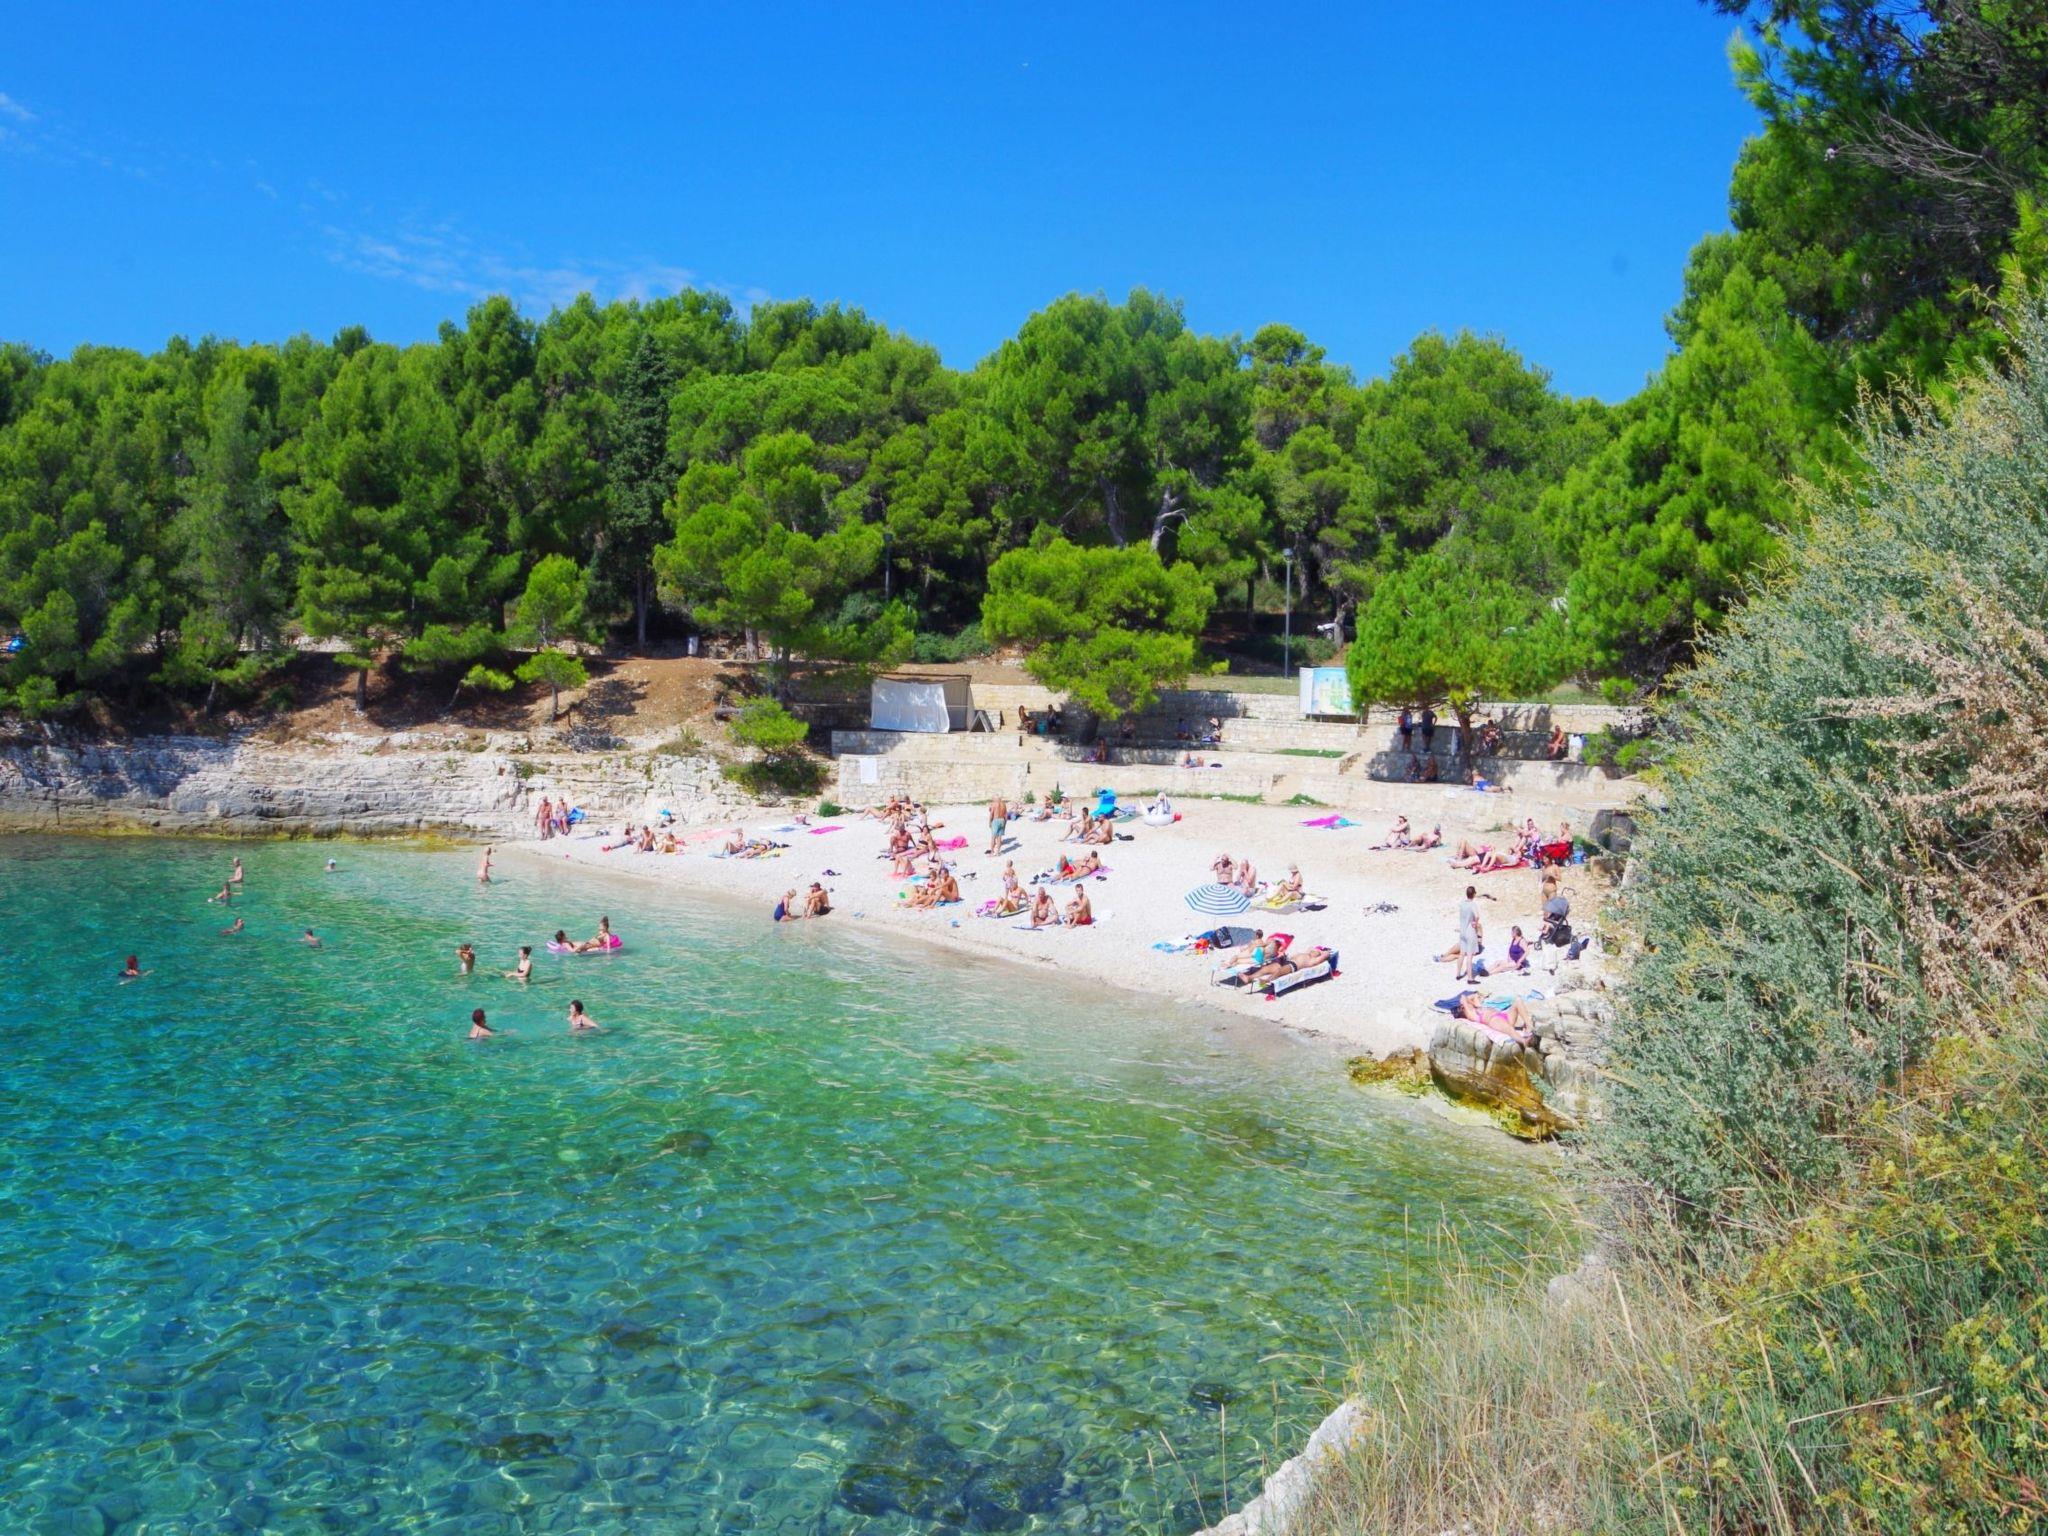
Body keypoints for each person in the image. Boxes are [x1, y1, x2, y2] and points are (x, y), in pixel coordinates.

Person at [1456, 990, 1534, 1045]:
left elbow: (1475, 996)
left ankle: (1530, 1026)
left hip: (1504, 1016)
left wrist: (1472, 1003)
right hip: (1494, 1020)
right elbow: (1463, 997)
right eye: (1465, 1005)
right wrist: (1468, 1003)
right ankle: (1523, 1041)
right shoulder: (1470, 1014)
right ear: (1463, 1008)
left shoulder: (1477, 1006)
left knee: (1518, 1000)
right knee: (1509, 1029)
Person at [1456, 885, 1482, 980]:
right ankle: (1470, 978)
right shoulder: (1472, 905)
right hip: (1469, 931)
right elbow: (1477, 916)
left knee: (1462, 954)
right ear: (1474, 894)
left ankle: (1458, 974)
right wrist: (1475, 923)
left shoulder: (1462, 903)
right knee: (1470, 955)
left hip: (1462, 931)